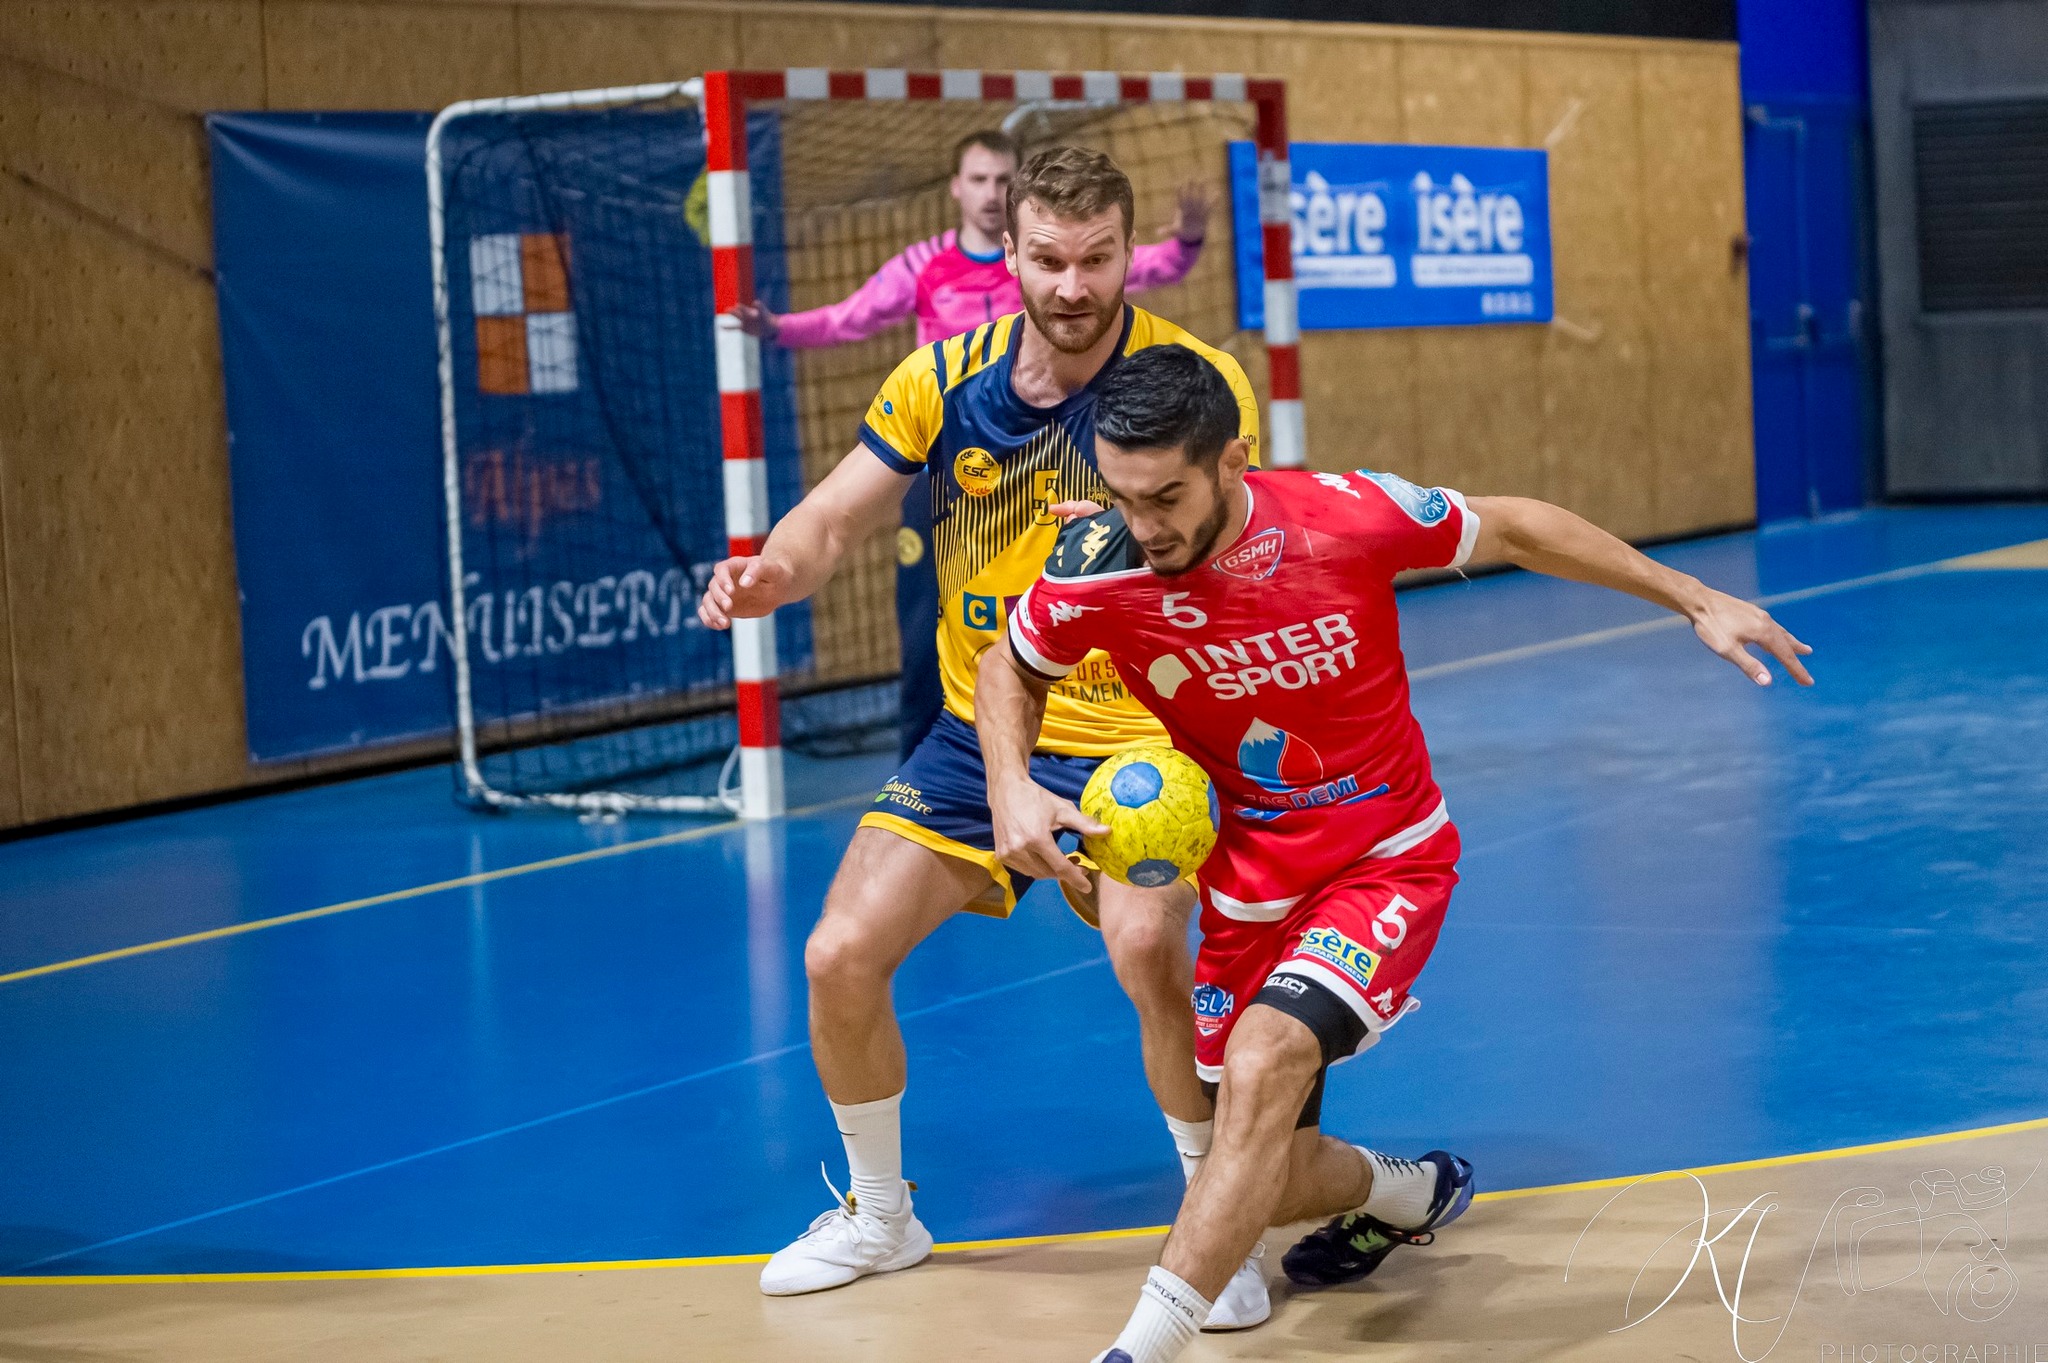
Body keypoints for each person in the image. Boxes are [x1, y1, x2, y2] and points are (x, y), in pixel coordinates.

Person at [976, 344, 1816, 1363]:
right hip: (1248, 886)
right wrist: (1010, 784)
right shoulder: (1099, 565)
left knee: (1260, 1062)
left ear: (1232, 460)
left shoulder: (1341, 515)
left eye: (1165, 496)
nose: (1141, 524)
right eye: (1120, 495)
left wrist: (1689, 594)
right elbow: (1008, 663)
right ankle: (1414, 1190)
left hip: (1383, 860)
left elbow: (1509, 523)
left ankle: (1134, 1350)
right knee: (1270, 1179)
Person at [697, 148, 1271, 1327]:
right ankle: (878, 1214)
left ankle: (1219, 1229)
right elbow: (833, 521)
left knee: (1146, 955)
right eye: (1048, 259)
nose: (1071, 284)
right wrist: (768, 574)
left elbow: (1251, 549)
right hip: (981, 725)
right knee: (836, 954)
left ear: (1124, 252)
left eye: (1096, 258)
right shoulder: (939, 378)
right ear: (1005, 251)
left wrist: (1136, 529)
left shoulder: (1190, 383)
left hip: (1138, 727)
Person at [731, 129, 1213, 760]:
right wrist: (779, 328)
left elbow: (1158, 264)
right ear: (964, 195)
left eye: (998, 179)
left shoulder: (1120, 303)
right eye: (977, 180)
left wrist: (1189, 240)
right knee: (926, 638)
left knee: (1089, 621)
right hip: (956, 478)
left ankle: (1112, 748)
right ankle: (930, 768)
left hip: (1074, 463)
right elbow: (851, 316)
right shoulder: (925, 283)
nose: (1071, 287)